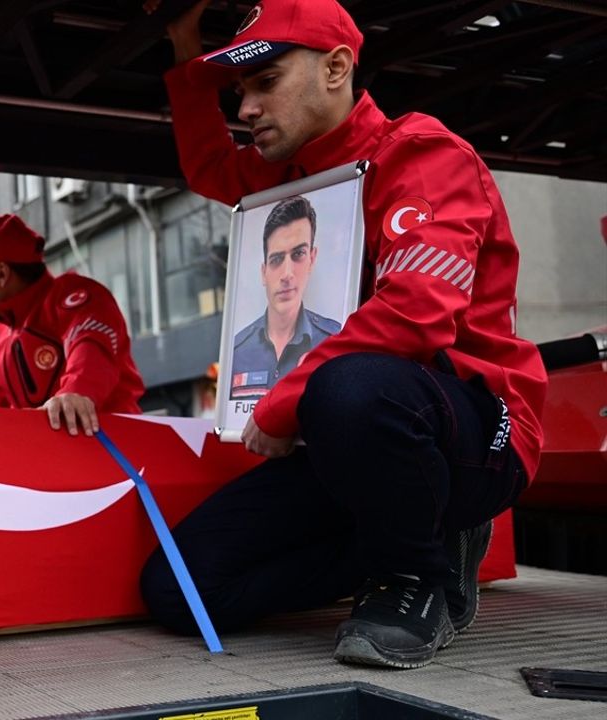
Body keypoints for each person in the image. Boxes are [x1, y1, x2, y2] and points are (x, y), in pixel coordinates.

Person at [139, 0, 546, 669]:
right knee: (181, 588)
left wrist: (281, 400)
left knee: (349, 388)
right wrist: (187, 48)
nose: (245, 109)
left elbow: (417, 309)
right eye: (240, 92)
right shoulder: (281, 177)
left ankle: (417, 580)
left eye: (265, 83)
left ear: (336, 68)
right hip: (346, 441)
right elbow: (209, 167)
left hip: (474, 432)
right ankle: (412, 537)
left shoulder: (423, 154)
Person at [0, 213, 145, 434]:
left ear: (1, 273)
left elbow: (90, 345)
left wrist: (77, 392)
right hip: (46, 458)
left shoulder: (75, 298)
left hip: (114, 448)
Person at [231, 195, 340, 399]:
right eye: (277, 259)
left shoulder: (336, 340)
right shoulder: (236, 351)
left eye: (298, 254)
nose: (287, 274)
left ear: (312, 259)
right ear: (264, 272)